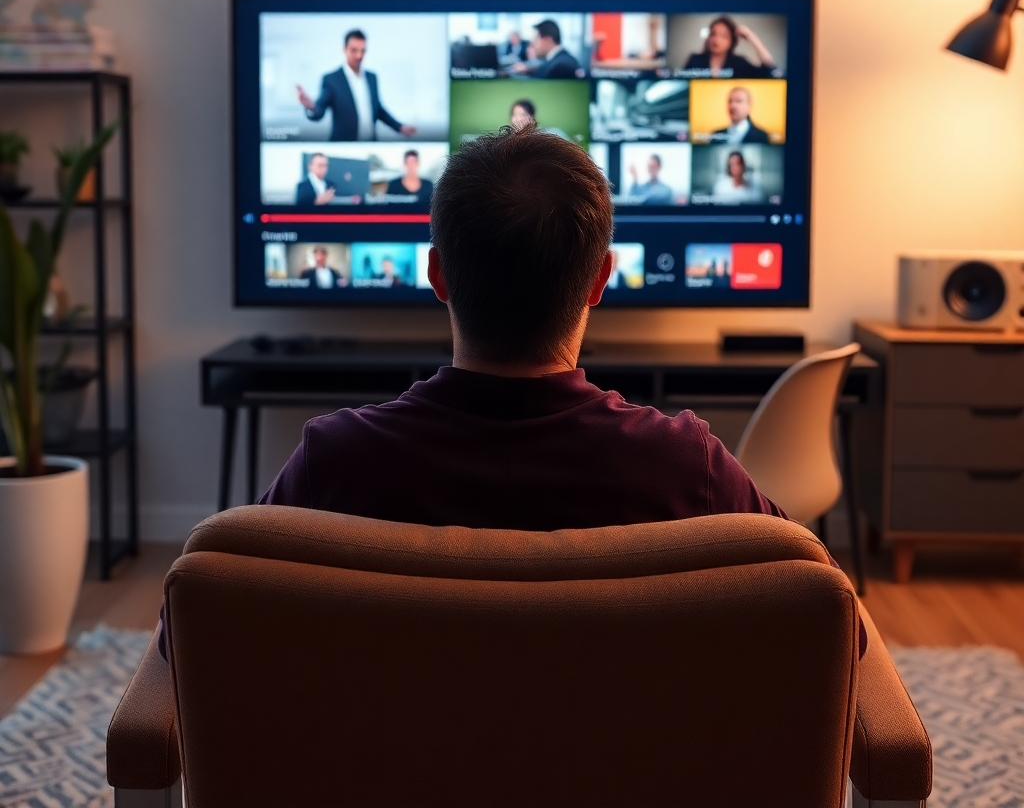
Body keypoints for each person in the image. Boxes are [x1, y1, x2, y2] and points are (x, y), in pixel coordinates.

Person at [157, 120, 866, 660]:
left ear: (437, 275)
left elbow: (187, 636)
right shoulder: (688, 466)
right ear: (599, 279)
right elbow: (835, 622)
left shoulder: (333, 461)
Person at [296, 29, 416, 142]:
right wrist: (311, 106)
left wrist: (399, 127)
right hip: (344, 145)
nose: (359, 55)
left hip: (371, 144)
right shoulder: (332, 80)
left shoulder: (372, 77)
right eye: (354, 50)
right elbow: (319, 110)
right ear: (344, 49)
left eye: (362, 51)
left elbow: (378, 110)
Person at [683, 16, 778, 78]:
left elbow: (770, 70)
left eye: (724, 36)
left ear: (732, 42)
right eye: (713, 34)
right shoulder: (694, 60)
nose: (716, 40)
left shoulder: (739, 63)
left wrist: (751, 37)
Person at [511, 20, 580, 79]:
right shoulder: (558, 60)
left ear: (547, 40)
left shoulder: (559, 67)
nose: (534, 44)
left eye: (536, 39)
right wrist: (527, 70)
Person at [706, 87, 772, 144]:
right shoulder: (716, 136)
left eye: (738, 101)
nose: (732, 106)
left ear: (749, 105)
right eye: (730, 101)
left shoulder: (761, 136)